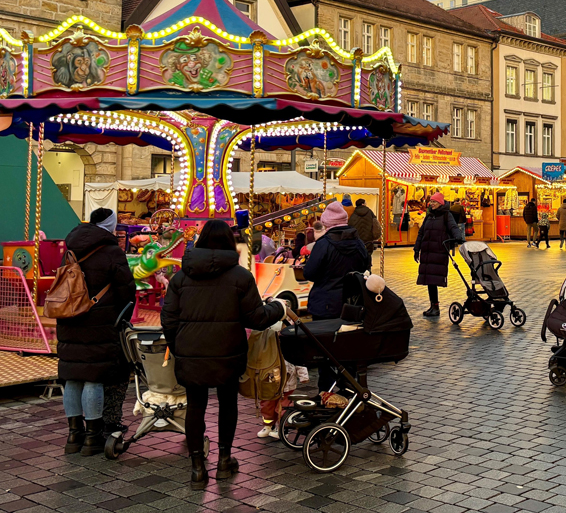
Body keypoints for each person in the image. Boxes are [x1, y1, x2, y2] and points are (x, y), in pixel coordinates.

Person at [161, 220, 289, 490]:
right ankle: (224, 459)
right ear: (230, 244)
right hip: (228, 351)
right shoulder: (240, 277)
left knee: (195, 406)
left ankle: (197, 467)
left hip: (191, 352)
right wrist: (279, 308)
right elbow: (256, 318)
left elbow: (168, 320)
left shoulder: (181, 277)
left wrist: (180, 346)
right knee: (227, 403)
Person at [57, 208, 138, 457]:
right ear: (111, 225)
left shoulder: (70, 249)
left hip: (69, 318)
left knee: (72, 376)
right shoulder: (112, 251)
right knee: (93, 377)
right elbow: (126, 289)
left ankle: (74, 435)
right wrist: (121, 317)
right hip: (101, 322)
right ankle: (92, 437)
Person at [304, 201, 371, 319]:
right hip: (353, 304)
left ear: (326, 224)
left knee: (324, 336)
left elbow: (309, 273)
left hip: (325, 305)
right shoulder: (359, 243)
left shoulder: (323, 245)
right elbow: (366, 269)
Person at [414, 192, 464, 317]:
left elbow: (453, 228)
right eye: (431, 202)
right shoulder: (429, 215)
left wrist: (458, 237)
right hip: (427, 252)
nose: (432, 204)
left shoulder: (446, 215)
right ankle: (433, 306)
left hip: (438, 251)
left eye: (434, 202)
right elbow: (421, 233)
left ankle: (435, 307)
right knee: (429, 280)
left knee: (434, 279)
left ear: (440, 203)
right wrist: (416, 249)